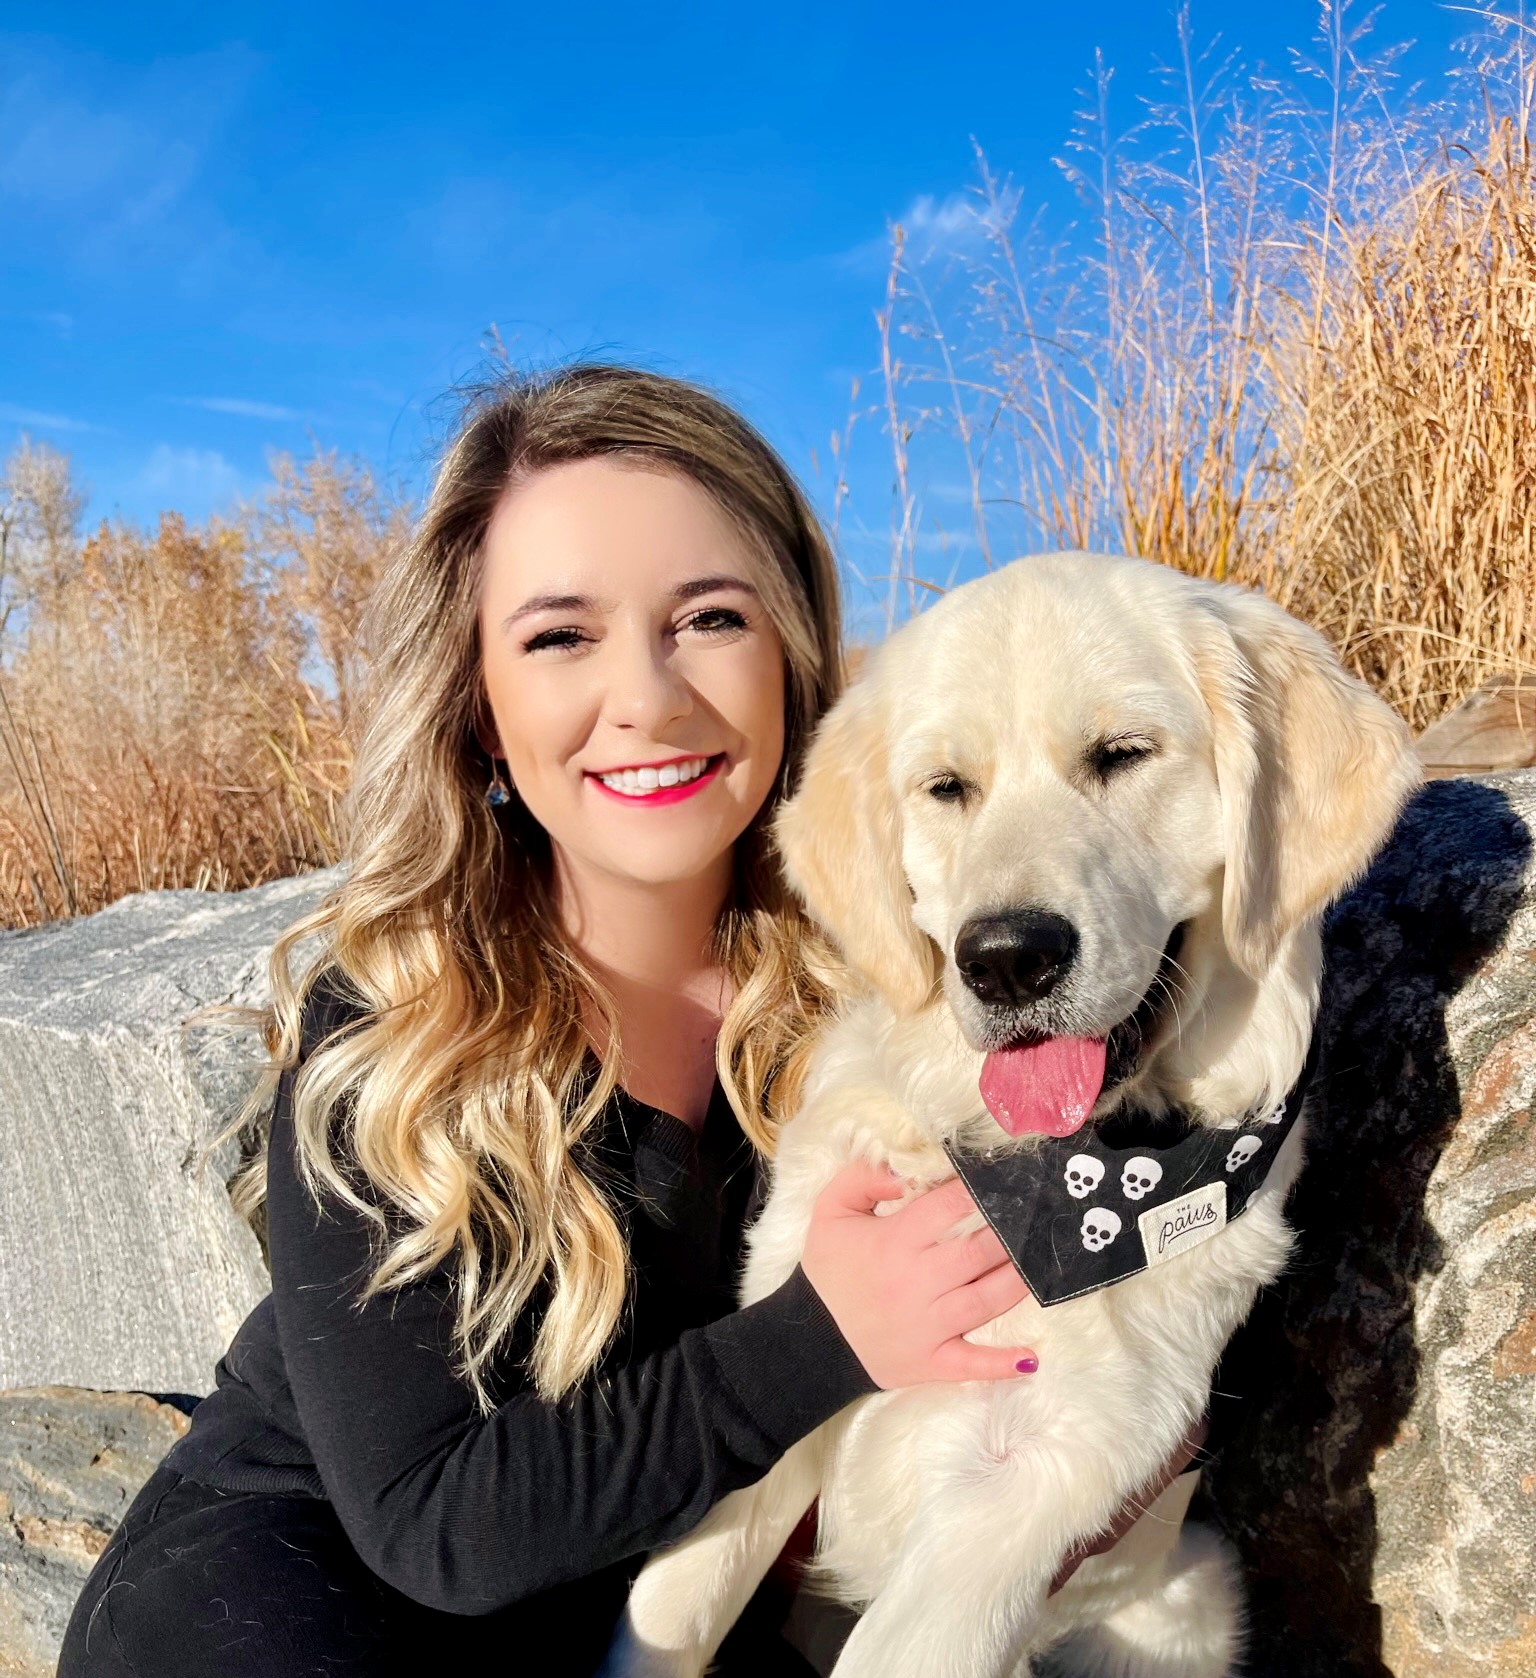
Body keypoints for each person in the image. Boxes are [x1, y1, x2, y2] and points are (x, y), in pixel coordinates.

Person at [57, 362, 1203, 1678]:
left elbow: (1119, 1216)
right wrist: (822, 1342)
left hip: (644, 1604)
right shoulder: (392, 1016)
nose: (649, 696)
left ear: (791, 655)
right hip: (297, 1586)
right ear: (481, 704)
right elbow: (434, 1520)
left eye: (709, 616)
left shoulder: (898, 963)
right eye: (559, 635)